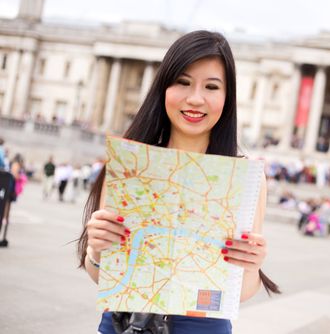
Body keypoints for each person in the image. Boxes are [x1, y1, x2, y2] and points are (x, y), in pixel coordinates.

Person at [76, 31, 280, 334]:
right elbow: (99, 275)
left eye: (211, 87)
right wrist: (96, 250)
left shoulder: (245, 177)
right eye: (183, 82)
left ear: (227, 98)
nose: (195, 98)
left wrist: (251, 265)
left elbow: (241, 292)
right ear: (164, 87)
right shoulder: (130, 163)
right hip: (127, 325)